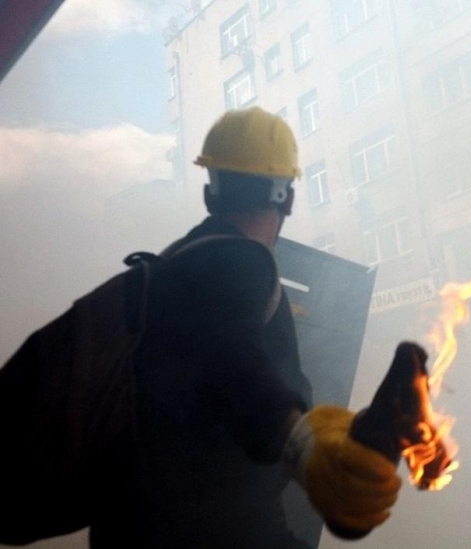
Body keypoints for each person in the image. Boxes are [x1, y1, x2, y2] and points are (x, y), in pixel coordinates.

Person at [88, 107, 401, 548]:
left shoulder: (181, 261)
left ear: (210, 195)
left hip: (137, 525)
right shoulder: (238, 261)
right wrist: (302, 446)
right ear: (288, 198)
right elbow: (232, 360)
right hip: (215, 528)